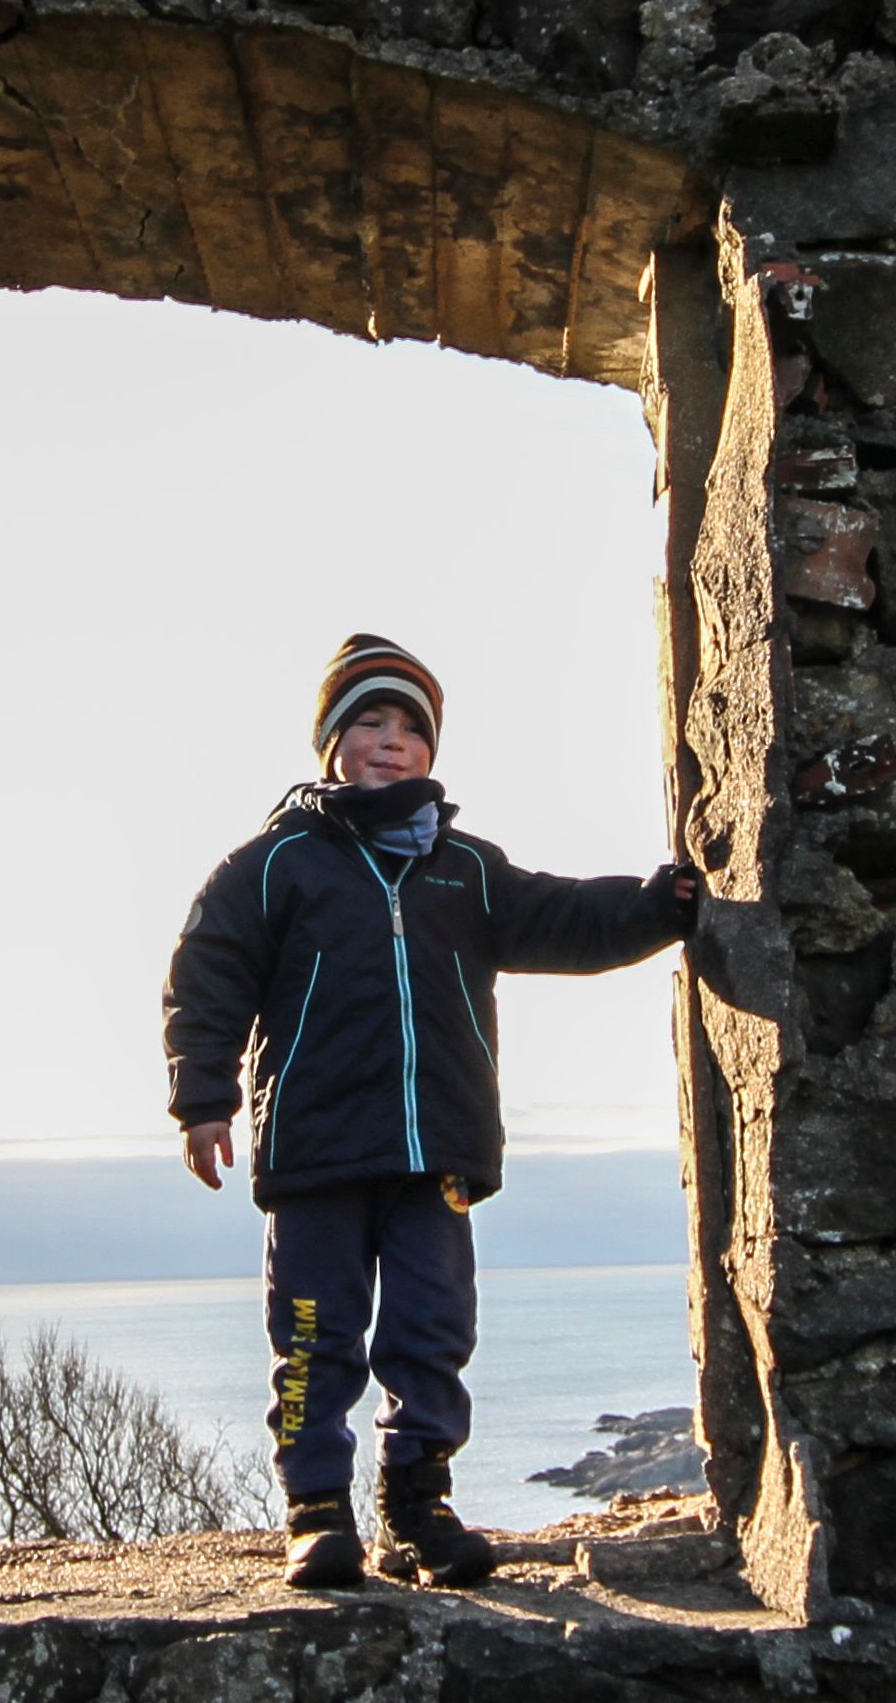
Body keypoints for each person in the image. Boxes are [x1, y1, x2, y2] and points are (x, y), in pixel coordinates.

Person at [163, 634, 703, 1589]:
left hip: (436, 1149)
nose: (392, 741)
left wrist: (662, 906)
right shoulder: (274, 864)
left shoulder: (467, 870)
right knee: (312, 1336)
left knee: (432, 1327)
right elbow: (207, 975)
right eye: (369, 721)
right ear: (331, 741)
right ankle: (316, 1511)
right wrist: (203, 1098)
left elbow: (568, 916)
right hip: (318, 1152)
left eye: (412, 727)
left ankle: (418, 1505)